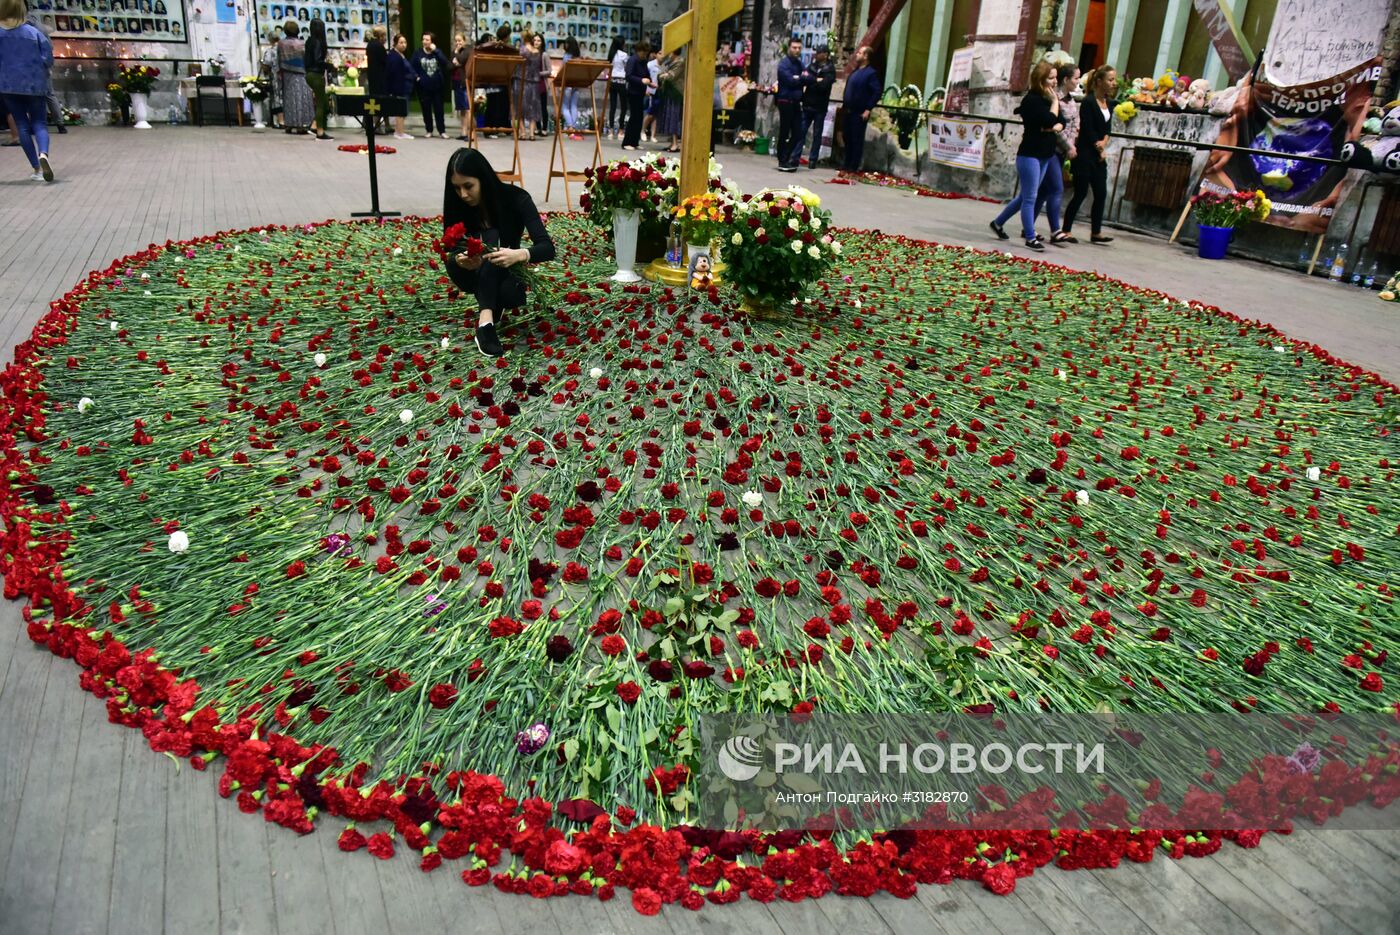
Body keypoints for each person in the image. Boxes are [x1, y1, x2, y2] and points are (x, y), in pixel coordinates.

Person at [442, 147, 556, 358]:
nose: (463, 195)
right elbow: (451, 247)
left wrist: (519, 254)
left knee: (493, 251)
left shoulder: (516, 198)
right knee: (480, 250)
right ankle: (485, 322)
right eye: (457, 188)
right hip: (469, 274)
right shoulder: (459, 204)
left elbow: (547, 247)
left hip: (508, 273)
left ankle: (490, 312)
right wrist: (461, 259)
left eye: (468, 186)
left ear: (483, 179)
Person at [988, 59, 1063, 251]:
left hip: (1045, 154)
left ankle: (998, 223)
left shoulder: (1048, 99)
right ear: (1040, 80)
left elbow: (1060, 121)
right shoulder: (1032, 100)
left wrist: (1052, 124)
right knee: (1030, 197)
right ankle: (1030, 237)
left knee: (1025, 197)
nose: (1055, 82)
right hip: (1030, 154)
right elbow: (1049, 120)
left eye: (1056, 78)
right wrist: (1053, 112)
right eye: (1051, 78)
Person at [1057, 65, 1115, 245]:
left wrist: (1104, 142)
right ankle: (1066, 229)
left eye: (1114, 80)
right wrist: (1099, 148)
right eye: (1110, 80)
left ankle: (1096, 231)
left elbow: (1107, 129)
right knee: (1080, 192)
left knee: (1101, 193)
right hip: (1086, 154)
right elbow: (1088, 129)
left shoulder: (1108, 104)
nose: (1114, 83)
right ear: (1099, 82)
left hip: (1099, 154)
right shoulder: (1089, 102)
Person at [0, 0, 54, 181]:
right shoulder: (33, 33)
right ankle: (44, 154)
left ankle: (36, 169)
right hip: (34, 85)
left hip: (8, 85)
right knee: (39, 123)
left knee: (22, 125)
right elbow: (47, 59)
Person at [1034, 63, 1078, 244]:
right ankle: (1055, 230)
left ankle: (1027, 226)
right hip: (1052, 149)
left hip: (1064, 151)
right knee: (1056, 188)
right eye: (1075, 78)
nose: (1078, 81)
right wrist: (1068, 146)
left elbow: (1075, 123)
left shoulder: (1072, 100)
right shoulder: (1054, 99)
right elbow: (1055, 126)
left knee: (1043, 191)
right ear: (1065, 79)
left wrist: (1072, 144)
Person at [840, 45, 879, 173]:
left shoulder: (870, 73)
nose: (857, 54)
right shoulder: (855, 71)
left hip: (859, 112)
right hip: (848, 111)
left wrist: (868, 109)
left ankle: (853, 166)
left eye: (860, 53)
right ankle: (846, 164)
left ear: (866, 56)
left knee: (856, 140)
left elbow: (876, 92)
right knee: (847, 138)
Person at [797, 44, 833, 168]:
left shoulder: (829, 68)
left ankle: (813, 160)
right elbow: (803, 78)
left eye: (819, 53)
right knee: (801, 131)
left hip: (820, 106)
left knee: (817, 134)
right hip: (808, 104)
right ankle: (795, 156)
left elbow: (824, 86)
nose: (816, 54)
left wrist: (812, 81)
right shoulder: (812, 66)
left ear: (825, 54)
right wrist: (815, 80)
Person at [277, 20, 315, 134]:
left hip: (287, 74)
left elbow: (279, 59)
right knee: (302, 99)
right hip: (302, 73)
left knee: (289, 99)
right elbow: (307, 59)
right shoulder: (302, 43)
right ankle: (301, 125)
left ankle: (289, 124)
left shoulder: (281, 43)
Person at [412, 32, 450, 138]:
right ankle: (429, 130)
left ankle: (442, 131)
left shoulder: (437, 52)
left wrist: (436, 50)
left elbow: (445, 63)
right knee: (426, 109)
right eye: (423, 39)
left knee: (439, 109)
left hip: (437, 86)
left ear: (432, 42)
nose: (424, 42)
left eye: (427, 40)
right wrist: (417, 77)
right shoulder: (418, 53)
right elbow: (412, 67)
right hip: (424, 87)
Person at [774, 37, 804, 171]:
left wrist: (800, 78)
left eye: (799, 48)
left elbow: (807, 77)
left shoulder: (799, 64)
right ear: (789, 48)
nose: (797, 50)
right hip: (785, 101)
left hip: (796, 102)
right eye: (794, 47)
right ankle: (782, 159)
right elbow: (790, 81)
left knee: (798, 132)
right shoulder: (784, 64)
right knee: (785, 131)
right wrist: (799, 78)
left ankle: (787, 156)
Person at [303, 17, 333, 140]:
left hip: (309, 74)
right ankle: (320, 131)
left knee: (323, 102)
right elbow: (318, 60)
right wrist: (329, 66)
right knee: (321, 103)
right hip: (316, 74)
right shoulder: (318, 42)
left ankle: (315, 125)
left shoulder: (309, 41)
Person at [619, 39, 651, 149]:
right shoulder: (632, 60)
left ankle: (635, 142)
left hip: (641, 92)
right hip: (633, 92)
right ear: (638, 51)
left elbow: (647, 75)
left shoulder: (643, 61)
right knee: (634, 117)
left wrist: (650, 83)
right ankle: (627, 142)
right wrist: (641, 80)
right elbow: (629, 76)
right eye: (643, 52)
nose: (644, 55)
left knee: (639, 118)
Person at [653, 50, 682, 153]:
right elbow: (660, 75)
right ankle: (673, 142)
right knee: (669, 118)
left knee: (674, 118)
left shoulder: (680, 62)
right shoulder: (670, 63)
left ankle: (675, 143)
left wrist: (664, 75)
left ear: (674, 53)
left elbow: (670, 77)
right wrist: (663, 75)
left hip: (676, 93)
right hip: (668, 92)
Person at [387, 33, 415, 138]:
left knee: (403, 109)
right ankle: (399, 132)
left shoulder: (402, 55)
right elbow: (394, 73)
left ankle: (400, 131)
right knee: (400, 109)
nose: (404, 45)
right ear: (395, 43)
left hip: (406, 87)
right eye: (401, 43)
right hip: (400, 87)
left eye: (405, 42)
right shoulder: (394, 56)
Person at [262, 26, 285, 128]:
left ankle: (281, 121)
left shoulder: (270, 51)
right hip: (287, 76)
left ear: (270, 40)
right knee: (286, 97)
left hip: (276, 77)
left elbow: (266, 65)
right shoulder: (285, 48)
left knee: (277, 98)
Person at [451, 32, 471, 139]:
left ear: (464, 41)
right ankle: (463, 132)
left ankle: (469, 132)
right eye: (456, 41)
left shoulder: (468, 50)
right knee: (461, 108)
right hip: (456, 82)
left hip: (465, 82)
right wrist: (456, 61)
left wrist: (457, 56)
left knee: (467, 108)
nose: (458, 43)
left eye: (460, 40)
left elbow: (461, 60)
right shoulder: (455, 51)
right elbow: (450, 64)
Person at [605, 35, 626, 138]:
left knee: (612, 106)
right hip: (622, 81)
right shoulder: (624, 55)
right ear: (622, 44)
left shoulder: (611, 54)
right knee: (623, 106)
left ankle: (611, 131)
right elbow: (627, 68)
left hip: (612, 81)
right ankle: (621, 130)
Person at [639, 47, 660, 142]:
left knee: (656, 114)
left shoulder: (665, 65)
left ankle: (653, 135)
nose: (661, 55)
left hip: (660, 91)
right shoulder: (650, 65)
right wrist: (646, 89)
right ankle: (642, 131)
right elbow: (645, 77)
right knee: (650, 113)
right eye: (659, 53)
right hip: (650, 91)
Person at [559, 35, 580, 129]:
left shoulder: (566, 56)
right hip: (576, 84)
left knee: (564, 107)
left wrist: (560, 85)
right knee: (574, 106)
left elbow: (563, 71)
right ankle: (574, 127)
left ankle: (570, 126)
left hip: (567, 84)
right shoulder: (578, 57)